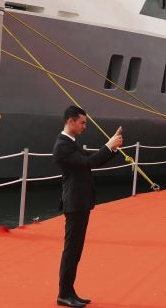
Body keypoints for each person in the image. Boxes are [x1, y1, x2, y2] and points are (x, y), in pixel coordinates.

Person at [53, 105, 123, 307]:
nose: (85, 126)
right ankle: (64, 293)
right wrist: (109, 145)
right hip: (74, 203)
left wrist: (113, 149)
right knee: (71, 250)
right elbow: (87, 163)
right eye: (82, 122)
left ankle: (69, 291)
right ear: (70, 121)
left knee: (76, 250)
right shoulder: (62, 145)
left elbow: (89, 162)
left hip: (80, 202)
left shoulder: (71, 143)